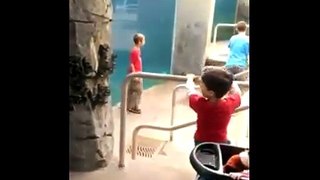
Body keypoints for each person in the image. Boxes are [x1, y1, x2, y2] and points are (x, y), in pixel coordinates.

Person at [185, 67, 242, 146]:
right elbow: (238, 93)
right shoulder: (229, 104)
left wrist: (190, 79)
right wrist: (230, 83)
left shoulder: (201, 104)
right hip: (221, 140)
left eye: (202, 85)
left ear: (211, 92)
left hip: (201, 141)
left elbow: (190, 91)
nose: (200, 86)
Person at [127, 33, 145, 114]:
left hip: (137, 72)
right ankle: (134, 107)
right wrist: (135, 75)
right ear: (139, 41)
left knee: (133, 90)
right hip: (136, 73)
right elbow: (132, 63)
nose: (144, 41)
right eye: (143, 40)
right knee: (138, 90)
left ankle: (131, 106)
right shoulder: (135, 51)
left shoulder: (137, 49)